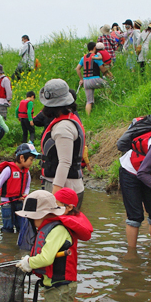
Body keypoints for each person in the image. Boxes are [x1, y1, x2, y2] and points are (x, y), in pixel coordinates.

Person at [16, 189, 94, 302]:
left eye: (32, 218)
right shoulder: (49, 227)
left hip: (60, 286)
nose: (31, 222)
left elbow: (46, 259)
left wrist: (29, 262)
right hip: (54, 284)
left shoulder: (57, 230)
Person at [38, 79, 86, 209]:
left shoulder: (63, 127)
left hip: (64, 190)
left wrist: (54, 197)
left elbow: (65, 162)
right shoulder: (69, 119)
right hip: (68, 187)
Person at [0, 143, 39, 233]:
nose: (32, 162)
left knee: (20, 225)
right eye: (31, 160)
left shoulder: (27, 173)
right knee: (8, 224)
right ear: (21, 158)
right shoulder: (8, 170)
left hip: (19, 200)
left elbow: (27, 186)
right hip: (6, 202)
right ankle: (7, 240)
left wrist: (25, 194)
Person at [75, 41, 113, 116]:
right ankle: (109, 101)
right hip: (95, 80)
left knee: (89, 101)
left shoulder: (83, 58)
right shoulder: (96, 57)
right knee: (109, 85)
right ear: (95, 48)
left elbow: (77, 69)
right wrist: (110, 74)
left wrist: (81, 79)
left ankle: (88, 117)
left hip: (86, 81)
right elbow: (103, 70)